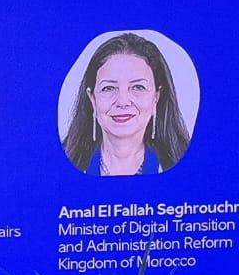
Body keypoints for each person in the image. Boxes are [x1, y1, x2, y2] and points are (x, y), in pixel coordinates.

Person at [62, 32, 191, 176]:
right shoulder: (60, 168)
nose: (123, 102)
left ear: (156, 97)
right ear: (92, 98)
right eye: (108, 88)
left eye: (138, 87)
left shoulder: (188, 169)